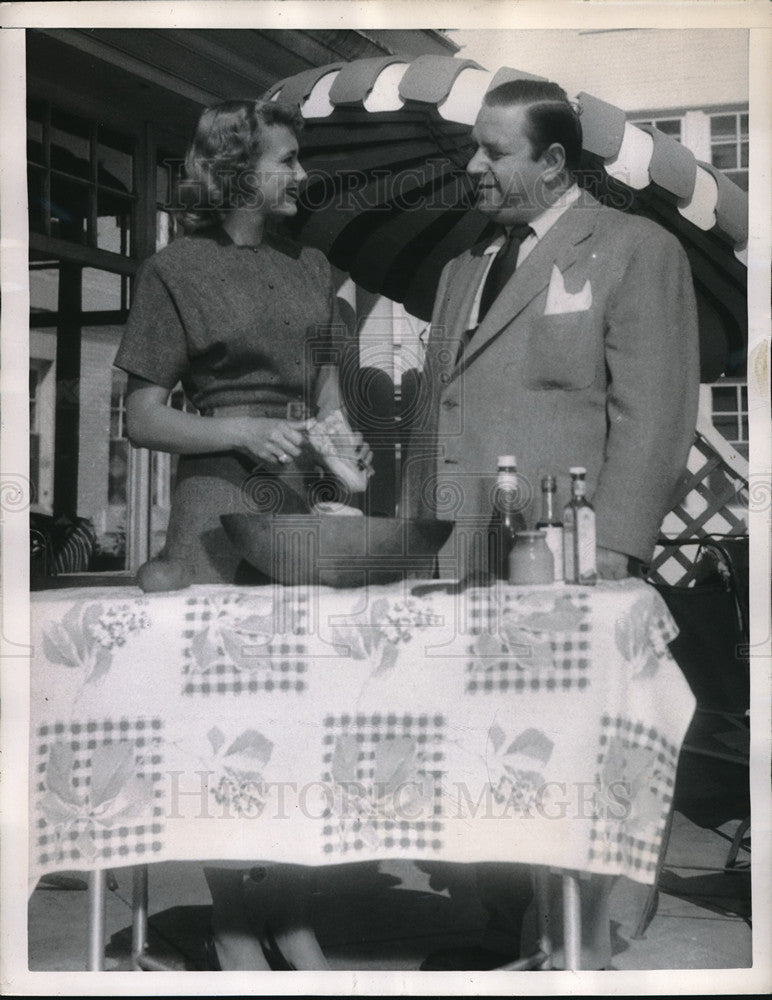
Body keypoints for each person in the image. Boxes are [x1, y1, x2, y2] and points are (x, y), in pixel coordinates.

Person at [402, 79, 700, 969]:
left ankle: (581, 933)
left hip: (565, 556)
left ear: (556, 161)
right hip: (458, 554)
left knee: (571, 744)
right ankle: (508, 920)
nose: (473, 165)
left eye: (494, 151)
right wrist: (414, 534)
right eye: (475, 147)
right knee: (481, 744)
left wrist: (616, 546)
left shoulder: (635, 249)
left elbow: (654, 409)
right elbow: (446, 409)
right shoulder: (461, 269)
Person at [115, 99, 370, 970]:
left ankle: (291, 914)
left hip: (297, 506)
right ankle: (230, 918)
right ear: (234, 172)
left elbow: (326, 394)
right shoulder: (174, 269)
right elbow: (143, 417)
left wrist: (343, 451)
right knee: (224, 723)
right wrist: (240, 430)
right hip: (214, 515)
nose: (302, 174)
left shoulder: (313, 265)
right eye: (285, 160)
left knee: (301, 716)